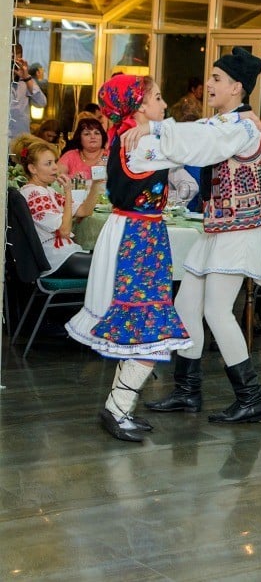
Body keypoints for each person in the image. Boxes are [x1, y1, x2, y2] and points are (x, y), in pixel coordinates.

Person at [130, 47, 261, 425]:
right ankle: (187, 391)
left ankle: (252, 399)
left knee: (216, 311)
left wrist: (154, 128)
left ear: (237, 86)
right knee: (185, 308)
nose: (208, 85)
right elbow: (198, 132)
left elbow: (202, 143)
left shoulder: (244, 126)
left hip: (241, 231)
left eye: (216, 79)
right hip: (218, 228)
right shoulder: (222, 121)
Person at [65, 74, 192, 443]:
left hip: (139, 234)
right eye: (157, 97)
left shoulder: (141, 139)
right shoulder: (142, 145)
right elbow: (196, 147)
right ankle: (118, 409)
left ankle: (118, 407)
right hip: (137, 239)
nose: (164, 104)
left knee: (140, 330)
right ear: (139, 105)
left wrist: (151, 128)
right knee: (146, 329)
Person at [14, 135, 101, 278]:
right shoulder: (34, 194)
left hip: (65, 254)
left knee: (109, 261)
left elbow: (85, 210)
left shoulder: (47, 190)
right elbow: (65, 231)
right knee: (111, 264)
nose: (55, 166)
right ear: (32, 168)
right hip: (56, 260)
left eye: (54, 161)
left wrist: (96, 185)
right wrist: (68, 191)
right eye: (48, 163)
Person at [9, 43, 47, 140]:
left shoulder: (27, 81)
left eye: (15, 62)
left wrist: (26, 77)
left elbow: (41, 103)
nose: (12, 65)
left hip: (20, 139)